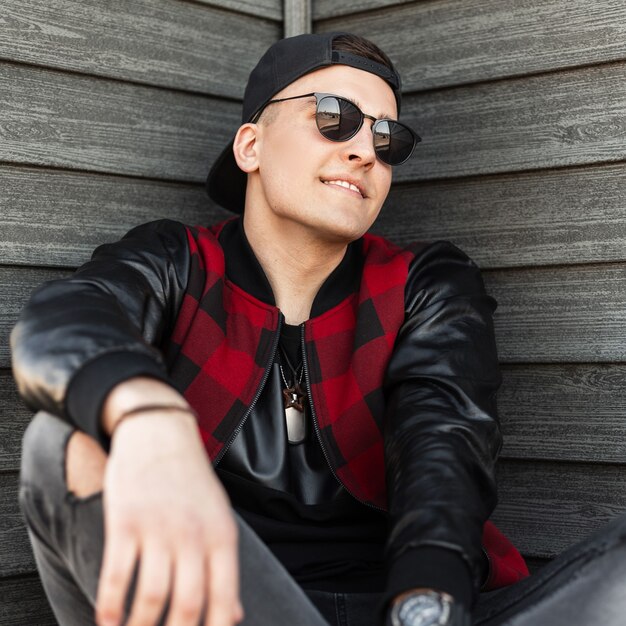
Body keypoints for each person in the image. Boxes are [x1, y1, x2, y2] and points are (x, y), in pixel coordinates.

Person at [11, 32, 626, 626]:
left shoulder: (424, 282)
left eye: (388, 137)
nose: (365, 149)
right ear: (250, 146)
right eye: (334, 116)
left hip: (418, 600)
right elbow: (69, 319)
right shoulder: (176, 264)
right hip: (234, 605)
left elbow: (444, 439)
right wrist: (150, 418)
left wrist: (428, 603)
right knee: (60, 446)